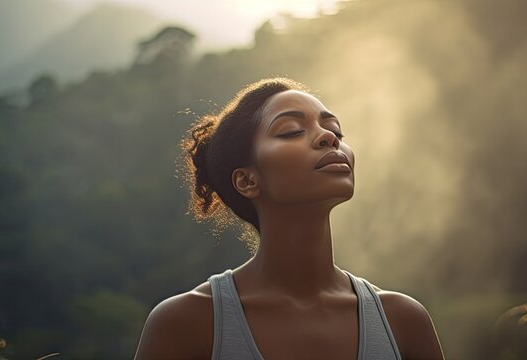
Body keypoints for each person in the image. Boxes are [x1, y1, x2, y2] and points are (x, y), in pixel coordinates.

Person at [134, 78, 445, 359]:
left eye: (335, 130)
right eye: (292, 131)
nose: (328, 138)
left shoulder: (402, 321)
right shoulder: (188, 323)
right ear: (247, 181)